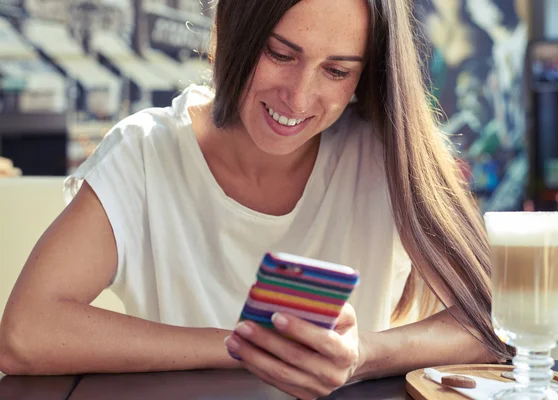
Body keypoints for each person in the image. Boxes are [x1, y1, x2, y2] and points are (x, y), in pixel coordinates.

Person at [0, 0, 511, 399]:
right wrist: (246, 348)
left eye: (337, 71)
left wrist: (362, 355)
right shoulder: (146, 152)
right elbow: (24, 334)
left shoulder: (386, 156)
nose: (298, 97)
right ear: (235, 33)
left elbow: (500, 322)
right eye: (280, 54)